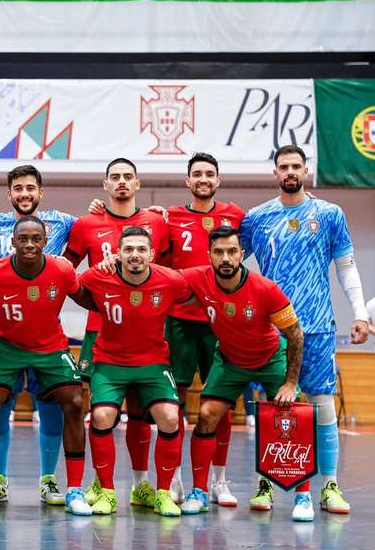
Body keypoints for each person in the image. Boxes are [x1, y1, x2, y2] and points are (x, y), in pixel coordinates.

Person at [240, 145, 369, 516]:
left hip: (317, 325)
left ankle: (328, 487)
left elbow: (346, 266)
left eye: (296, 165)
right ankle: (266, 482)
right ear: (274, 173)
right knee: (271, 407)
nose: (290, 171)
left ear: (307, 170)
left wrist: (359, 312)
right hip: (271, 328)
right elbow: (227, 261)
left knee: (322, 403)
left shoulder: (330, 214)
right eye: (284, 166)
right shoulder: (257, 218)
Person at [0, 216, 91, 516]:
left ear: (46, 241)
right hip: (6, 345)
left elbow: (86, 297)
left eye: (36, 238)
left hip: (51, 346)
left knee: (72, 400)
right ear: (13, 242)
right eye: (23, 239)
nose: (30, 244)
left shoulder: (62, 269)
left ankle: (74, 490)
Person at [176, 226, 308, 519]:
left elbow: (295, 334)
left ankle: (302, 497)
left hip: (270, 358)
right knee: (208, 414)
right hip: (230, 360)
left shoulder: (265, 289)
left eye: (232, 251)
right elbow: (157, 277)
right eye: (219, 252)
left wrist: (290, 382)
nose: (226, 258)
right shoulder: (198, 277)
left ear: (242, 254)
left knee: (294, 415)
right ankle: (199, 490)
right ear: (209, 255)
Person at [65, 158, 169, 509]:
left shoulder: (155, 221)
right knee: (101, 411)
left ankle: (141, 484)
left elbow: (167, 270)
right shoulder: (86, 223)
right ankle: (101, 483)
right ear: (105, 184)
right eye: (115, 177)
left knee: (142, 410)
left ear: (137, 183)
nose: (122, 182)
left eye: (128, 177)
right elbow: (68, 274)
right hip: (101, 332)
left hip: (146, 333)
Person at [0, 165, 75, 505]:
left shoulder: (62, 222)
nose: (24, 194)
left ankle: (49, 480)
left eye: (30, 188)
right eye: (18, 188)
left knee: (51, 406)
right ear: (9, 193)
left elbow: (102, 227)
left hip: (45, 333)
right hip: (1, 331)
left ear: (40, 191)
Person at [78, 226, 191, 517]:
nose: (135, 255)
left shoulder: (170, 281)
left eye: (141, 249)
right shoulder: (98, 276)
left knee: (169, 416)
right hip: (110, 362)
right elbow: (76, 289)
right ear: (118, 254)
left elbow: (195, 292)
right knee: (102, 416)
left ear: (152, 254)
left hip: (153, 363)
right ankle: (107, 492)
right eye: (128, 249)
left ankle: (163, 493)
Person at [157, 153, 245, 504]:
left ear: (218, 180)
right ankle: (176, 477)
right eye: (197, 174)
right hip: (180, 322)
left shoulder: (237, 215)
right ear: (187, 181)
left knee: (220, 402)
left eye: (210, 173)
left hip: (221, 322)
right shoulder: (170, 218)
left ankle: (218, 480)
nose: (203, 178)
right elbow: (155, 257)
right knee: (173, 401)